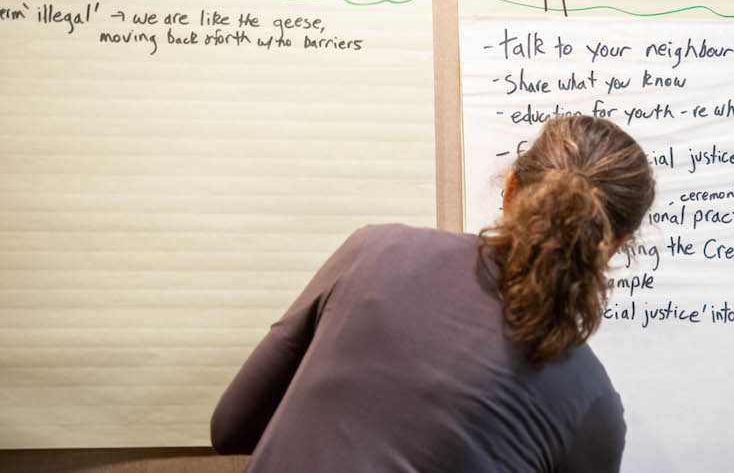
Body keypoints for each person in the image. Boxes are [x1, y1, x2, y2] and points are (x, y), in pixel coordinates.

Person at [210, 115, 656, 472]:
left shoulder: (374, 248)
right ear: (615, 244)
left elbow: (231, 427)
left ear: (511, 188)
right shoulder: (590, 403)